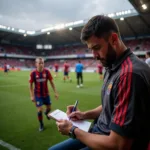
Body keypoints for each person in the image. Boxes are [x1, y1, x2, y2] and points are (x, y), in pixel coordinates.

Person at [48, 15, 150, 150]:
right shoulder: (112, 63)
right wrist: (84, 115)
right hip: (98, 132)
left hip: (108, 142)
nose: (94, 55)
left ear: (114, 39)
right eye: (91, 49)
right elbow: (112, 105)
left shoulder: (129, 75)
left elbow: (119, 145)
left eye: (96, 47)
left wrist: (73, 130)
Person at [29, 57, 59, 131]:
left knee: (49, 108)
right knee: (39, 110)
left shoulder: (47, 72)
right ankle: (41, 124)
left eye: (42, 63)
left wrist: (55, 92)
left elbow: (52, 82)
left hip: (46, 94)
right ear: (36, 64)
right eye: (39, 63)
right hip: (38, 95)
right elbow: (30, 85)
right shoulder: (33, 73)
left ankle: (46, 113)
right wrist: (32, 96)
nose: (41, 64)